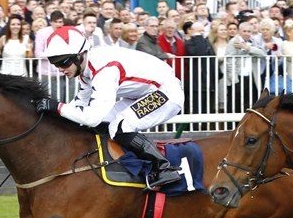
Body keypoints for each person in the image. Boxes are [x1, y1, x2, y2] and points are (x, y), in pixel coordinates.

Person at [35, 26, 184, 190]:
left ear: (79, 55)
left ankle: (164, 168)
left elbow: (91, 116)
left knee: (120, 125)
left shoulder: (103, 70)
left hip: (166, 93)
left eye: (63, 62)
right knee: (103, 122)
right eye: (54, 63)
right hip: (142, 95)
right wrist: (52, 114)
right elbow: (77, 107)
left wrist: (57, 107)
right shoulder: (87, 69)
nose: (60, 69)